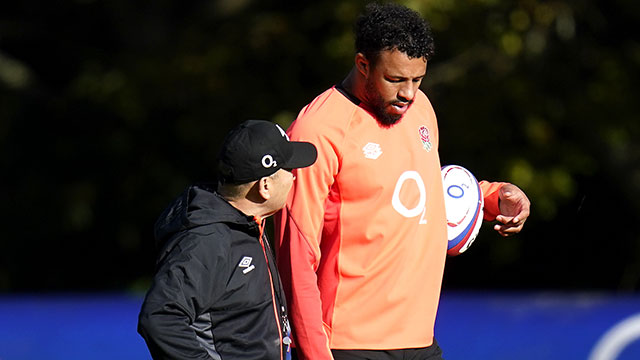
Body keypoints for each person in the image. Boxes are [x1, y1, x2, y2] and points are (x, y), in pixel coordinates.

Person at [274, 3, 531, 360]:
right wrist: (313, 353)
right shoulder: (317, 131)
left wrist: (491, 198)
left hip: (420, 340)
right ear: (363, 64)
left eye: (417, 79)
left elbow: (421, 186)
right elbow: (295, 255)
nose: (408, 93)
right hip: (349, 346)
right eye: (395, 79)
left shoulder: (420, 108)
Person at [138, 120, 318, 360]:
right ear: (264, 186)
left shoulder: (248, 223)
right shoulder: (208, 239)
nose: (294, 178)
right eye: (289, 171)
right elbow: (160, 317)